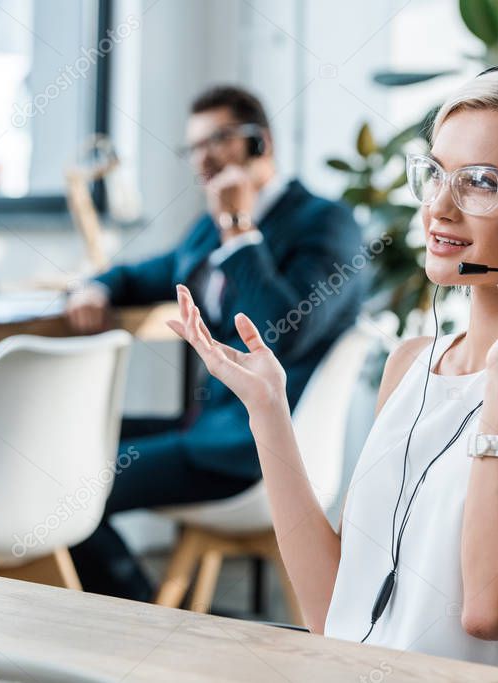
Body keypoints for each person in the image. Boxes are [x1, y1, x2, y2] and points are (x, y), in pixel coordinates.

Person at [167, 67, 498, 680]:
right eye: (435, 174)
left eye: (482, 181)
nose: (439, 207)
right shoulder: (409, 365)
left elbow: (491, 608)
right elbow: (334, 613)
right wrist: (268, 410)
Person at [66, 85, 365, 601]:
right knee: (66, 444)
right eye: (194, 147)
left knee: (72, 488)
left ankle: (147, 624)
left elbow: (280, 331)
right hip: (208, 425)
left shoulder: (325, 223)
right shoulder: (208, 229)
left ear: (259, 142)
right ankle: (146, 614)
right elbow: (145, 274)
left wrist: (239, 226)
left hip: (252, 448)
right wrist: (97, 285)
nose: (202, 158)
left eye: (217, 141)